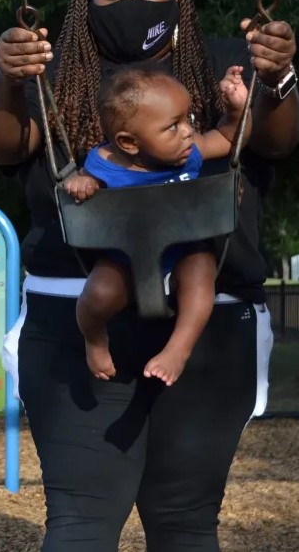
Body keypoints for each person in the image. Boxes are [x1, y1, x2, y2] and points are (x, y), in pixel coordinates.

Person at [0, 0, 299, 551]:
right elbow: (5, 144)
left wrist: (275, 79)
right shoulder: (53, 73)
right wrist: (7, 76)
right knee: (82, 521)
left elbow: (274, 137)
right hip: (74, 316)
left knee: (185, 522)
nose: (130, 2)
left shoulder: (222, 65)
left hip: (208, 323)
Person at [64, 66, 252, 384]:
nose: (188, 132)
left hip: (184, 251)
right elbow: (84, 180)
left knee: (201, 274)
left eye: (187, 119)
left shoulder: (189, 153)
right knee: (97, 294)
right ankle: (94, 340)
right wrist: (82, 183)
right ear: (129, 142)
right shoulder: (104, 163)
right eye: (173, 126)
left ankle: (179, 348)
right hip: (125, 257)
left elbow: (226, 138)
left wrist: (237, 112)